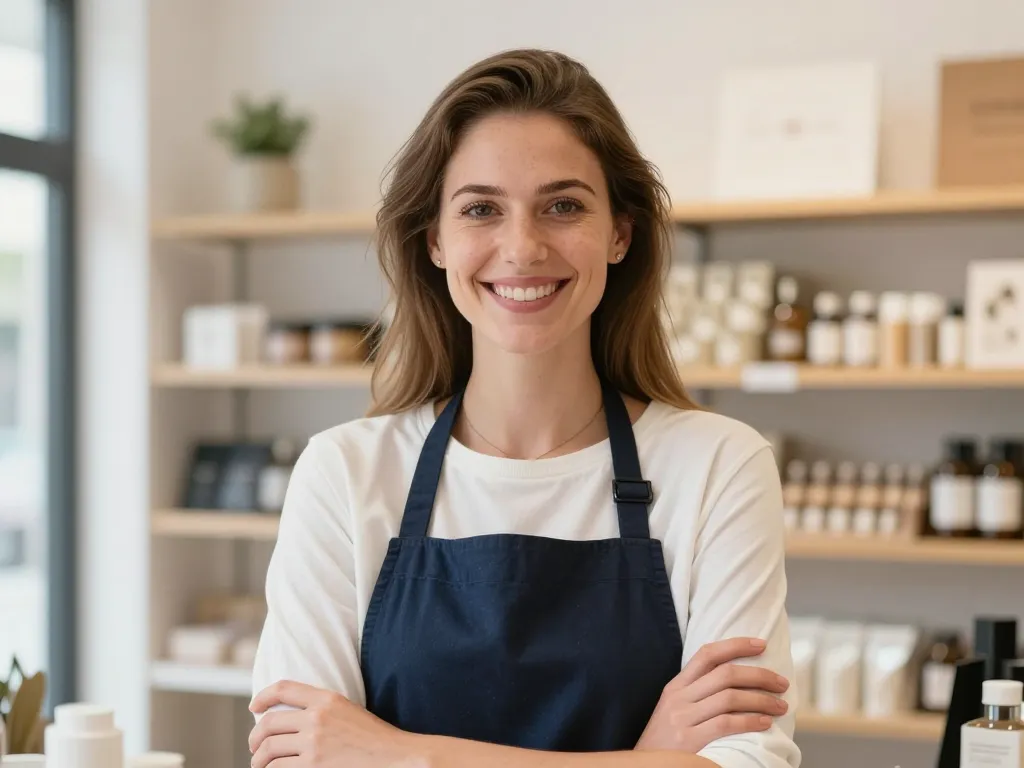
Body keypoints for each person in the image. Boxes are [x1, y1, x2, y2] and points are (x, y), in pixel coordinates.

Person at [247, 48, 800, 768]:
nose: (523, 247)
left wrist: (404, 755)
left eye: (563, 206)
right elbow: (298, 757)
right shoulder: (344, 473)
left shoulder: (718, 465)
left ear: (620, 233)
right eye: (481, 209)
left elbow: (750, 762)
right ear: (436, 241)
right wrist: (649, 757)